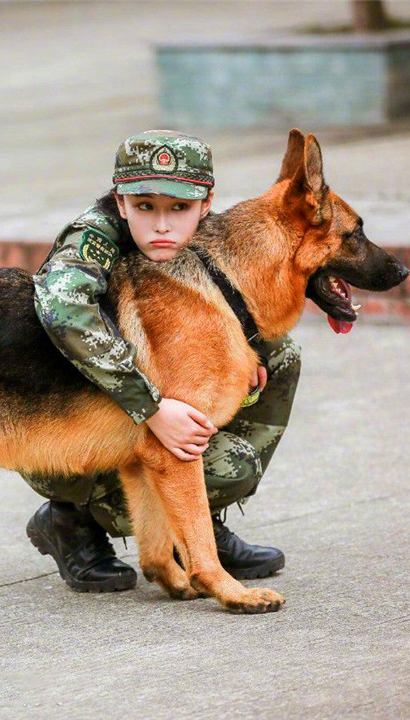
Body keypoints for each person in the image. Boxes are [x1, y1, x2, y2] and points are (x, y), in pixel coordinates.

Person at [23, 130, 301, 592]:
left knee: (280, 355)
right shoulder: (94, 236)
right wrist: (150, 407)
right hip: (57, 420)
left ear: (205, 203)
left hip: (135, 394)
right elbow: (63, 311)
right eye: (145, 207)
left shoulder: (202, 234)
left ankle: (197, 525)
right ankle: (71, 519)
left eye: (179, 208)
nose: (163, 226)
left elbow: (228, 299)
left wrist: (243, 354)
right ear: (121, 201)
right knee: (216, 462)